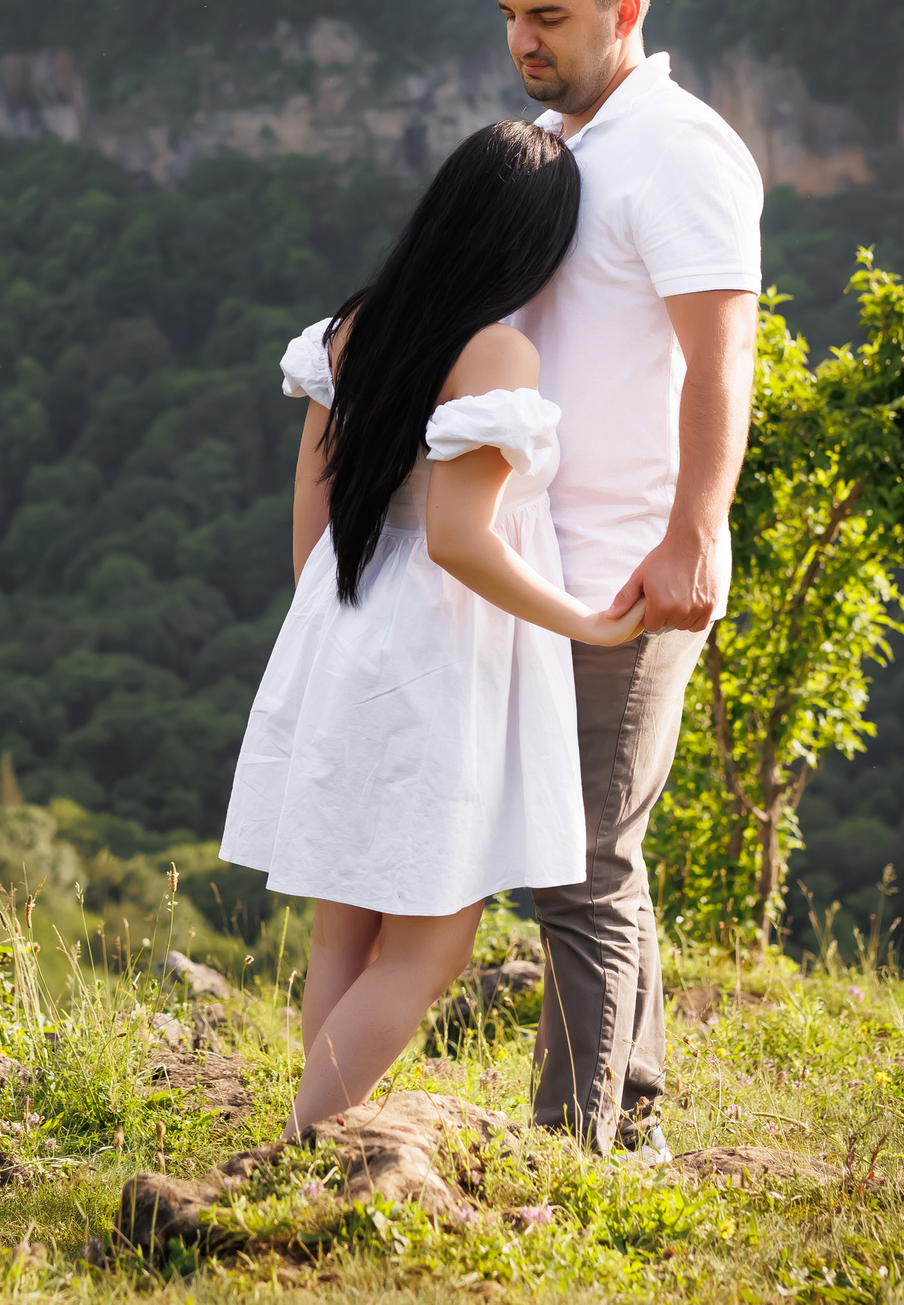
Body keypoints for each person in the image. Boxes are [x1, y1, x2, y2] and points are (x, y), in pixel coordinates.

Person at [217, 120, 646, 1138]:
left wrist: (330, 646)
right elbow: (459, 539)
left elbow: (312, 521)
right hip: (437, 650)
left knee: (344, 937)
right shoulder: (496, 350)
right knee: (428, 946)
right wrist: (584, 620)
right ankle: (301, 1146)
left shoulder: (353, 327)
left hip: (342, 621)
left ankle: (311, 1137)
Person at [497, 0, 764, 1155]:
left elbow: (723, 361)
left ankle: (578, 1143)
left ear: (625, 11)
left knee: (581, 859)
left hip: (631, 560)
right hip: (549, 562)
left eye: (547, 18)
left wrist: (693, 533)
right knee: (588, 847)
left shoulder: (681, 150)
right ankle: (634, 1115)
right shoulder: (562, 143)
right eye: (509, 18)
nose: (523, 43)